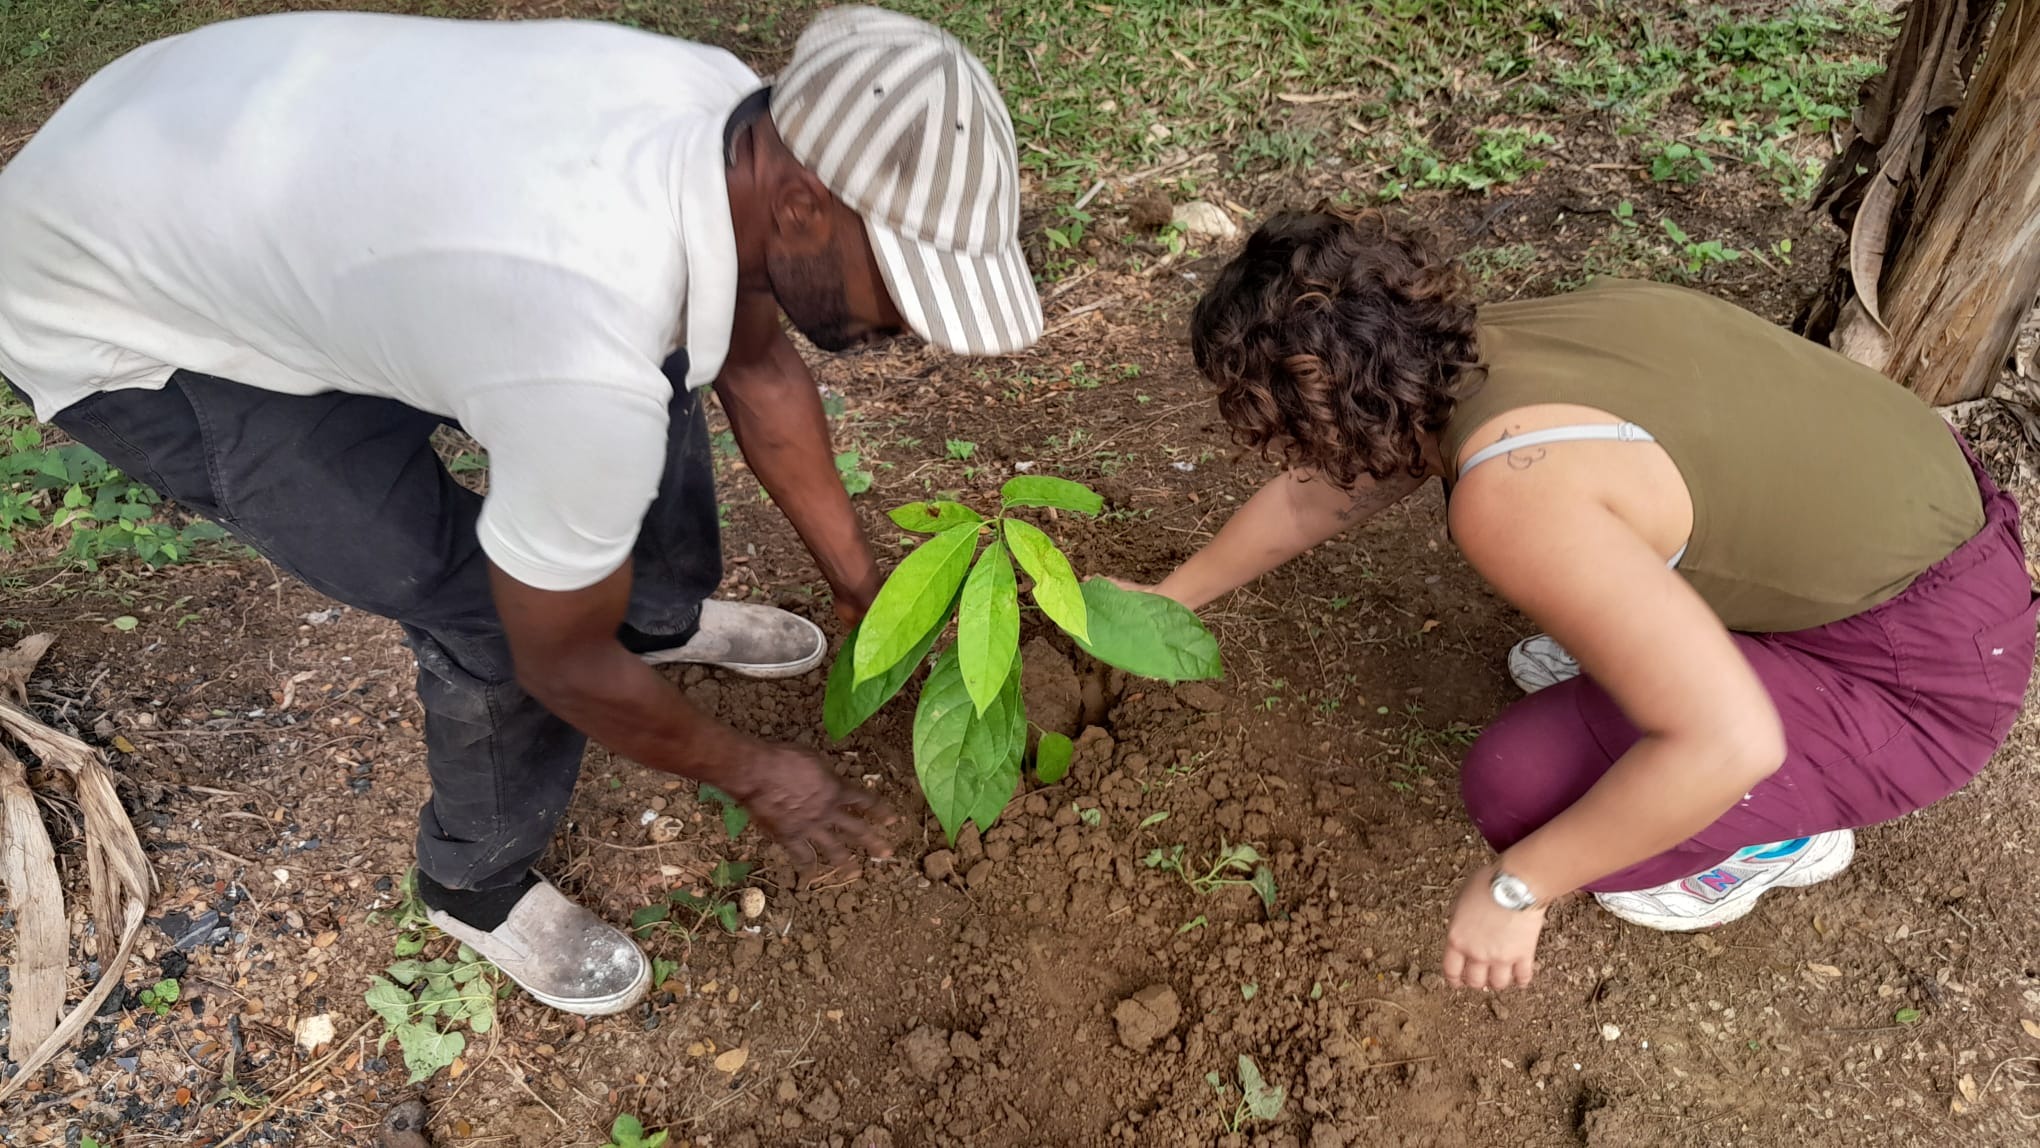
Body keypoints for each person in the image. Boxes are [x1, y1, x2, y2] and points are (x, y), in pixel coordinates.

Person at [0, 7, 1041, 1015]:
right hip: (116, 294)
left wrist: (864, 590)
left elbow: (754, 361)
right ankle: (475, 882)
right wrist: (759, 774)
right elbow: (558, 658)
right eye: (904, 284)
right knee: (479, 607)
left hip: (231, 161)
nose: (905, 323)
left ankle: (651, 619)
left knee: (661, 367)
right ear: (804, 202)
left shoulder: (736, 121)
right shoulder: (581, 341)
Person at [1131, 204, 2037, 991]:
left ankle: (1774, 837)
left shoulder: (1510, 494)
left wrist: (1517, 888)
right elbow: (1318, 495)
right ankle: (1688, 671)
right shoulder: (1480, 346)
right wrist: (1165, 602)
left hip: (1922, 674)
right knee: (1599, 621)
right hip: (1934, 517)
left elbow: (1732, 740)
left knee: (1521, 787)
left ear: (1318, 417)